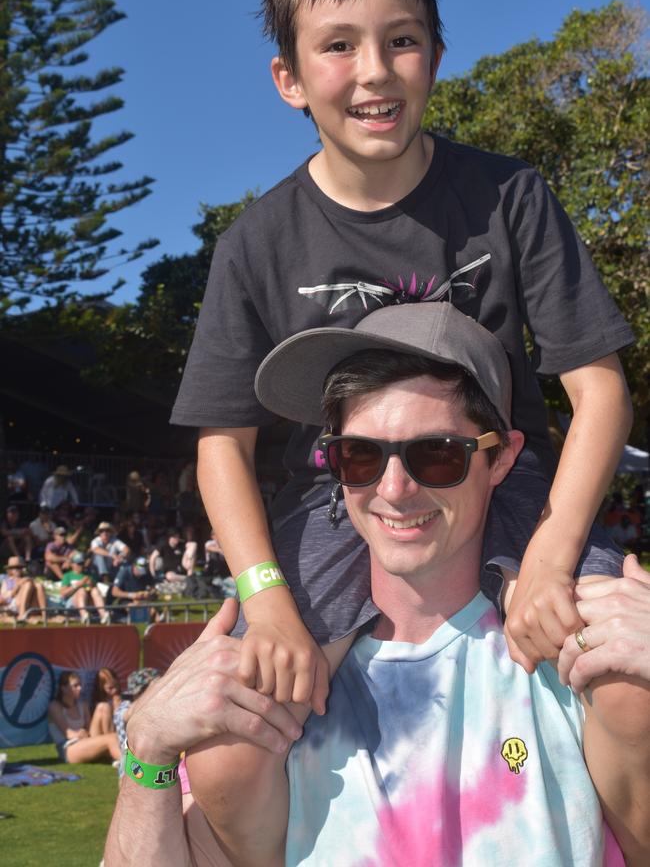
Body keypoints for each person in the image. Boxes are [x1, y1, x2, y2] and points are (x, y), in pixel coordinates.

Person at [169, 0, 633, 724]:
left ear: (437, 56)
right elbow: (222, 444)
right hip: (331, 494)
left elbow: (601, 392)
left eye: (402, 40)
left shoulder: (510, 196)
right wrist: (268, 598)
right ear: (289, 78)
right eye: (339, 46)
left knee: (628, 687)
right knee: (234, 736)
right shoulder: (255, 242)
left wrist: (553, 559)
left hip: (504, 479)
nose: (375, 71)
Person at [105, 304, 650, 867]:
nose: (394, 489)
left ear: (501, 459)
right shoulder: (271, 706)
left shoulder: (586, 661)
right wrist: (147, 745)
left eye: (436, 455)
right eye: (359, 455)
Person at [48, 671, 121, 765]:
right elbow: (68, 733)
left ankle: (115, 755)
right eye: (75, 685)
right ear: (64, 688)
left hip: (85, 741)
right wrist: (80, 733)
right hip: (69, 748)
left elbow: (89, 730)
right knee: (110, 738)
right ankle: (134, 768)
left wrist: (84, 733)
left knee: (103, 706)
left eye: (80, 685)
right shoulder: (54, 706)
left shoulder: (83, 705)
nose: (80, 688)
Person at [59, 551, 110, 624]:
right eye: (78, 564)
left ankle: (103, 614)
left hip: (88, 600)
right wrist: (78, 584)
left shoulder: (89, 575)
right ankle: (84, 615)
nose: (81, 566)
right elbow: (63, 593)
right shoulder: (67, 576)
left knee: (95, 590)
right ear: (72, 564)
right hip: (72, 602)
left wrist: (91, 585)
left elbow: (97, 592)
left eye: (82, 563)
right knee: (81, 590)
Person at [110, 555, 157, 622]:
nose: (141, 574)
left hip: (142, 600)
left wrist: (149, 593)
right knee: (134, 607)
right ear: (134, 566)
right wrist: (132, 595)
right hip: (125, 600)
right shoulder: (124, 572)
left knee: (153, 611)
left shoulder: (146, 574)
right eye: (139, 570)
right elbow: (114, 592)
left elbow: (153, 589)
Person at [0, 556, 47, 623]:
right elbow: (6, 597)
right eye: (13, 568)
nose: (16, 570)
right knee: (28, 584)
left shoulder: (27, 579)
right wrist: (19, 585)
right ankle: (22, 613)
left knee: (39, 586)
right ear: (10, 570)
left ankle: (44, 614)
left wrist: (27, 580)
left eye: (19, 567)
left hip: (31, 603)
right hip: (13, 604)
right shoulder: (7, 581)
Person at [91, 667, 123, 735]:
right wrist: (115, 710)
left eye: (116, 686)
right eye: (110, 688)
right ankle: (110, 740)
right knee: (104, 706)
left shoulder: (122, 699)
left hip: (113, 732)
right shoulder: (99, 703)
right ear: (101, 687)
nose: (115, 691)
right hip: (100, 734)